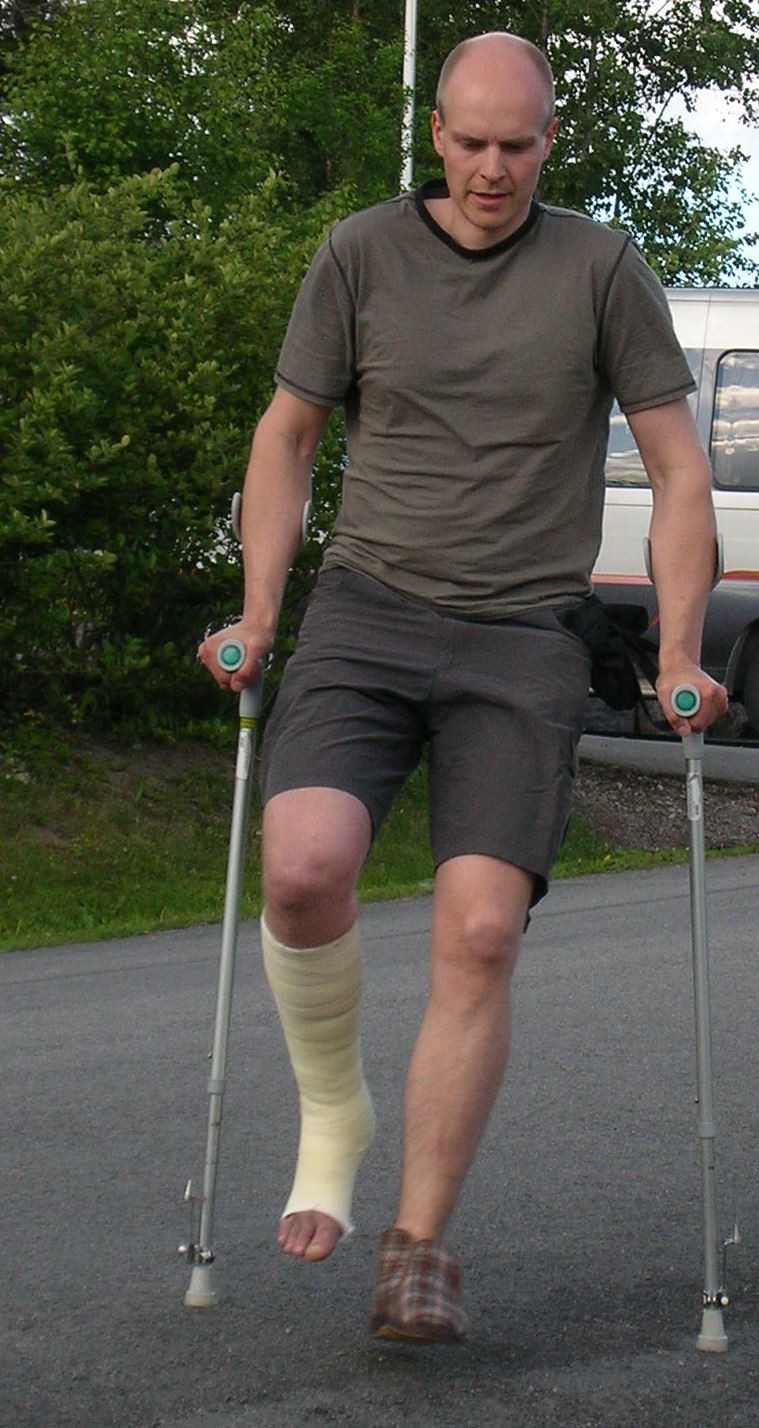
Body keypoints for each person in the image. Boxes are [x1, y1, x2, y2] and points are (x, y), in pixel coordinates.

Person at [199, 29, 727, 1343]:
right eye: (473, 143)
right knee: (302, 868)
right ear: (434, 133)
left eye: (519, 146)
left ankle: (417, 1247)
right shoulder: (358, 255)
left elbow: (677, 471)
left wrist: (675, 650)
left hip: (524, 636)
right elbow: (288, 437)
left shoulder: (600, 270)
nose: (493, 170)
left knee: (482, 931)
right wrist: (259, 611)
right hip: (368, 612)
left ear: (549, 142)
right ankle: (335, 1113)